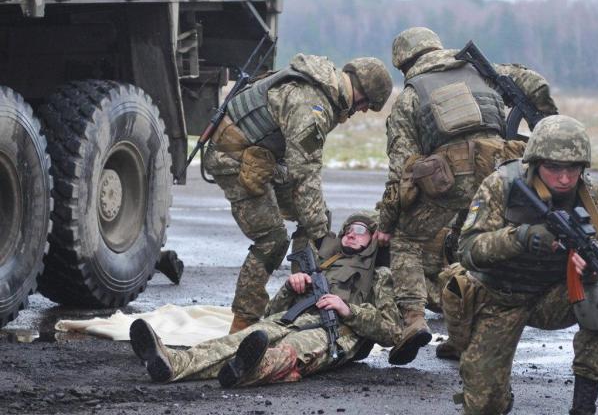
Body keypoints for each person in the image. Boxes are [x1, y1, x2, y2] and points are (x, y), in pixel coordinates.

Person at [374, 27, 557, 364]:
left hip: (448, 180)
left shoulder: (410, 96)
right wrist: (549, 120)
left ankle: (413, 321)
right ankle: (465, 336)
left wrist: (386, 221)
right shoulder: (483, 73)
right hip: (499, 173)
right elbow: (535, 84)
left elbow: (401, 171)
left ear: (404, 63)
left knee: (406, 240)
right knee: (473, 247)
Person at [445, 115, 598, 415]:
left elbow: (595, 251)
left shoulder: (592, 195)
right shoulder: (502, 185)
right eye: (555, 168)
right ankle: (497, 394)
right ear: (536, 162)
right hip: (499, 297)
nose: (565, 178)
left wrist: (589, 270)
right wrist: (521, 238)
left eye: (574, 169)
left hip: (552, 295)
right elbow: (467, 251)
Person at [203, 54, 393, 333]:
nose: (361, 112)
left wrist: (315, 225)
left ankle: (305, 288)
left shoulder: (321, 86)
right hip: (233, 159)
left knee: (315, 215)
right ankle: (243, 321)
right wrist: (319, 235)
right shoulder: (313, 104)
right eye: (366, 105)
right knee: (272, 239)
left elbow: (301, 175)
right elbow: (305, 174)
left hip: (260, 157)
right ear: (361, 94)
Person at [128, 212, 428, 388]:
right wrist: (291, 287)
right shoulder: (323, 264)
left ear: (373, 240)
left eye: (360, 231)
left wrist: (347, 309)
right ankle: (172, 363)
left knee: (289, 352)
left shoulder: (379, 275)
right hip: (291, 318)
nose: (351, 235)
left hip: (335, 333)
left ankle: (247, 370)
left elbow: (390, 331)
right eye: (348, 230)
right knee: (240, 340)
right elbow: (272, 312)